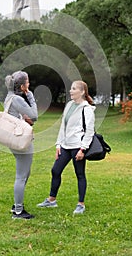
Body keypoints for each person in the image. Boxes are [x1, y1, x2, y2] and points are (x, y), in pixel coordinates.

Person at [37, 80, 95, 214]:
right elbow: (63, 127)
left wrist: (83, 149)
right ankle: (52, 200)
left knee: (80, 174)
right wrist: (58, 144)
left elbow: (89, 131)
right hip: (65, 146)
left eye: (74, 89)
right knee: (55, 171)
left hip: (78, 147)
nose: (70, 91)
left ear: (82, 92)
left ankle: (81, 204)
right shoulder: (69, 105)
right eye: (71, 88)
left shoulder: (87, 109)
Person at [4, 70, 38, 219]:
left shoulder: (10, 97)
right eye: (28, 82)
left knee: (25, 173)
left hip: (13, 138)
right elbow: (34, 116)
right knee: (21, 176)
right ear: (23, 86)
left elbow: (20, 116)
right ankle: (18, 211)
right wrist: (30, 95)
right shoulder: (18, 99)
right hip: (20, 139)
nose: (29, 84)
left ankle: (17, 204)